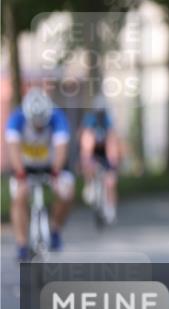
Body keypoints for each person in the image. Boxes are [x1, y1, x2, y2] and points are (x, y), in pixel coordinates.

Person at [5, 88, 75, 260]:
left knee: (66, 193)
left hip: (52, 165)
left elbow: (61, 150)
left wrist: (56, 171)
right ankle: (22, 244)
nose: (38, 126)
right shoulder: (16, 118)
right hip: (25, 166)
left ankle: (56, 229)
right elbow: (13, 151)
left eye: (41, 122)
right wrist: (21, 173)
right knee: (19, 197)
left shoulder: (58, 117)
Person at [79, 95, 121, 223]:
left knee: (110, 181)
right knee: (87, 160)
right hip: (93, 151)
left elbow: (112, 140)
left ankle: (111, 207)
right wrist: (86, 157)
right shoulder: (89, 120)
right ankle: (89, 185)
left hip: (105, 151)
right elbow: (85, 139)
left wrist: (113, 160)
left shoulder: (108, 120)